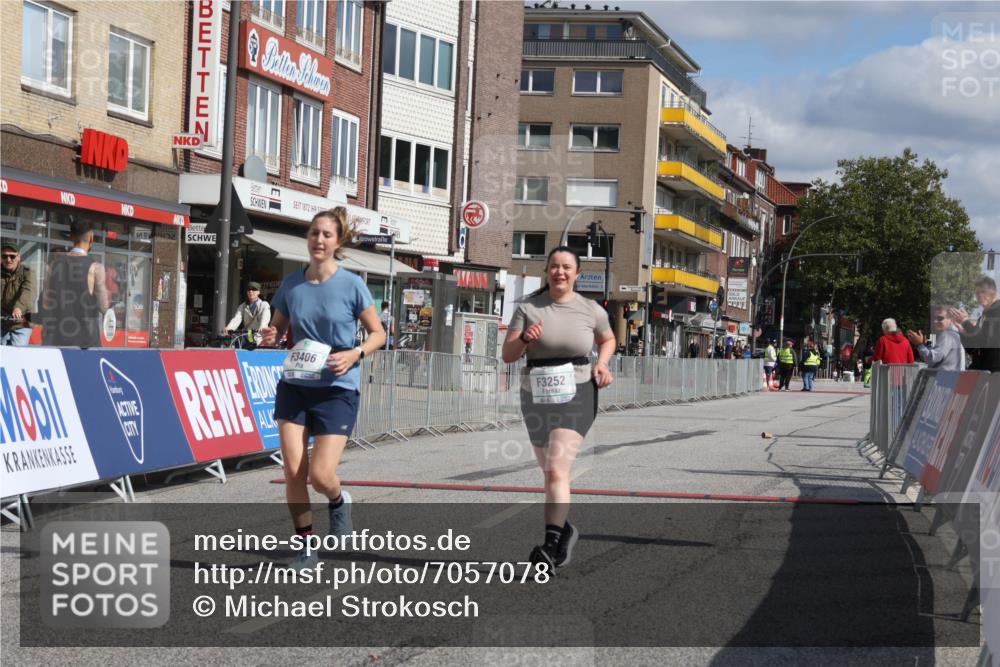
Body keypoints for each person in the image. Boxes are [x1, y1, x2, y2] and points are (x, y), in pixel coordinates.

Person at [258, 208, 386, 569]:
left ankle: (338, 499)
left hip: (337, 388)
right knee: (294, 472)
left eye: (327, 234)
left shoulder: (352, 285)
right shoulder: (291, 284)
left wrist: (356, 353)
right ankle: (306, 549)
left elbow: (378, 334)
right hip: (296, 385)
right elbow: (278, 330)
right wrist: (270, 335)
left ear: (338, 241)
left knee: (320, 476)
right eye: (314, 233)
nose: (319, 240)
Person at [502, 246, 616, 572]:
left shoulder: (591, 309)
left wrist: (602, 364)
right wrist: (525, 339)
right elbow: (508, 355)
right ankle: (563, 529)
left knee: (556, 469)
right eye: (554, 266)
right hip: (536, 393)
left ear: (577, 274)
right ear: (547, 271)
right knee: (550, 472)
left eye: (566, 267)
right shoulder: (528, 308)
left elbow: (607, 340)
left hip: (578, 391)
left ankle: (550, 548)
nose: (559, 272)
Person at [40, 216, 109, 347]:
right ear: (91, 238)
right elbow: (103, 306)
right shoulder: (96, 268)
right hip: (87, 341)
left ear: (71, 237)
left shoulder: (54, 265)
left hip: (59, 340)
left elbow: (46, 303)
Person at [949, 276, 1000, 372]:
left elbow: (985, 341)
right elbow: (972, 349)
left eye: (983, 291)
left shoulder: (997, 311)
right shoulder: (983, 317)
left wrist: (965, 322)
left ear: (993, 292)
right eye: (977, 293)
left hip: (994, 372)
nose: (980, 295)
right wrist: (962, 331)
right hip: (981, 370)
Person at [906, 305, 966, 371]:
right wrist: (927, 345)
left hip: (946, 376)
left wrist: (919, 344)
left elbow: (932, 359)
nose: (935, 321)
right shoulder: (955, 334)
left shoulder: (948, 335)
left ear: (951, 320)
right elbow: (939, 357)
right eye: (934, 318)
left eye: (940, 318)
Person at [1, 241, 35, 346]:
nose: (8, 260)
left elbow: (28, 292)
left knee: (18, 354)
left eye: (12, 256)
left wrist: (18, 308)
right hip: (2, 323)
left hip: (21, 325)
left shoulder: (27, 272)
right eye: (4, 256)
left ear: (19, 257)